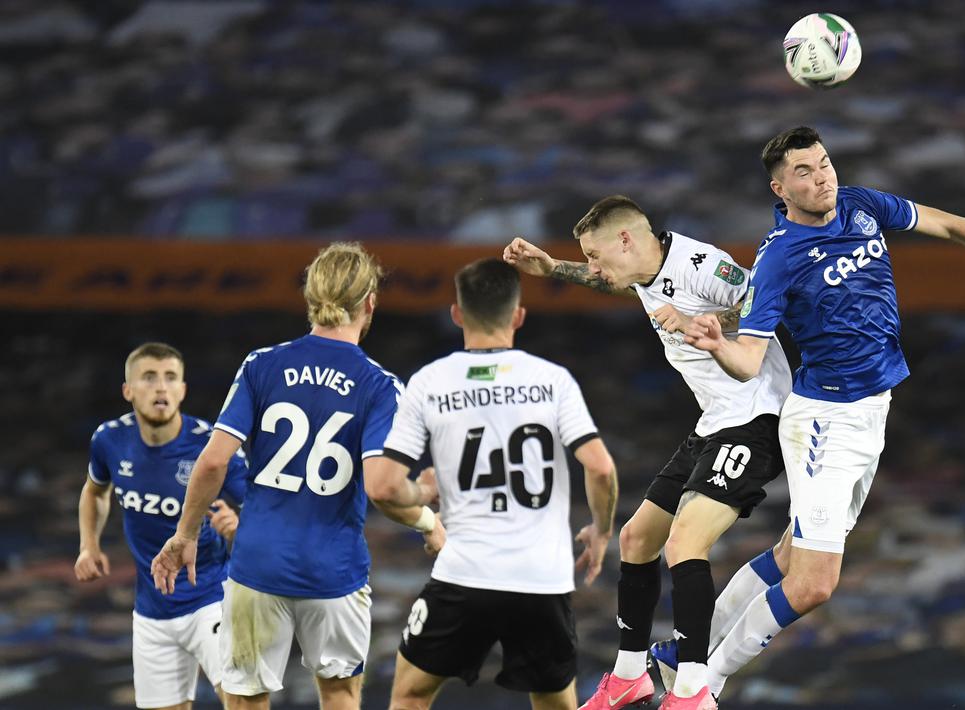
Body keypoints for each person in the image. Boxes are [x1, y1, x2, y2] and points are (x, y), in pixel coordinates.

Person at [684, 125, 965, 701]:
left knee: (790, 555)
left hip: (871, 411)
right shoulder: (779, 258)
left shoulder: (861, 205)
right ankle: (701, 686)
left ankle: (678, 653)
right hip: (823, 421)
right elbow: (751, 359)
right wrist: (717, 346)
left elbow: (951, 225)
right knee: (814, 584)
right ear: (779, 188)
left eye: (825, 163)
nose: (823, 177)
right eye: (805, 172)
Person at [504, 195, 794, 710]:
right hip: (714, 423)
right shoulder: (642, 269)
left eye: (595, 255)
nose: (593, 267)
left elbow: (763, 299)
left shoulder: (702, 265)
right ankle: (630, 677)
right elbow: (608, 280)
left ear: (626, 240)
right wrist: (552, 268)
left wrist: (698, 321)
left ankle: (692, 690)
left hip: (757, 419)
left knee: (685, 542)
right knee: (636, 539)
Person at [150, 242, 444, 710]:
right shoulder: (382, 386)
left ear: (311, 298)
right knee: (341, 694)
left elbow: (210, 462)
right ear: (370, 303)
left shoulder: (261, 364)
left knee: (245, 699)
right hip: (334, 571)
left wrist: (186, 533)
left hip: (257, 566)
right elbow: (382, 489)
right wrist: (428, 517)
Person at [374, 258, 618, 710]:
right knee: (554, 703)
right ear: (518, 315)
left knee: (409, 695)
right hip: (542, 578)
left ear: (457, 314)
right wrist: (601, 531)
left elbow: (385, 487)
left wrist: (423, 500)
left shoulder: (429, 382)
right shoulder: (552, 380)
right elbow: (601, 468)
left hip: (465, 574)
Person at [77, 342, 247, 710]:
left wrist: (240, 528)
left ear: (183, 390)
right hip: (152, 611)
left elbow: (267, 509)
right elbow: (95, 492)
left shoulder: (211, 448)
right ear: (128, 390)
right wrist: (88, 545)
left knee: (243, 702)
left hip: (212, 599)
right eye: (149, 377)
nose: (161, 387)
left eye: (171, 378)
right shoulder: (109, 440)